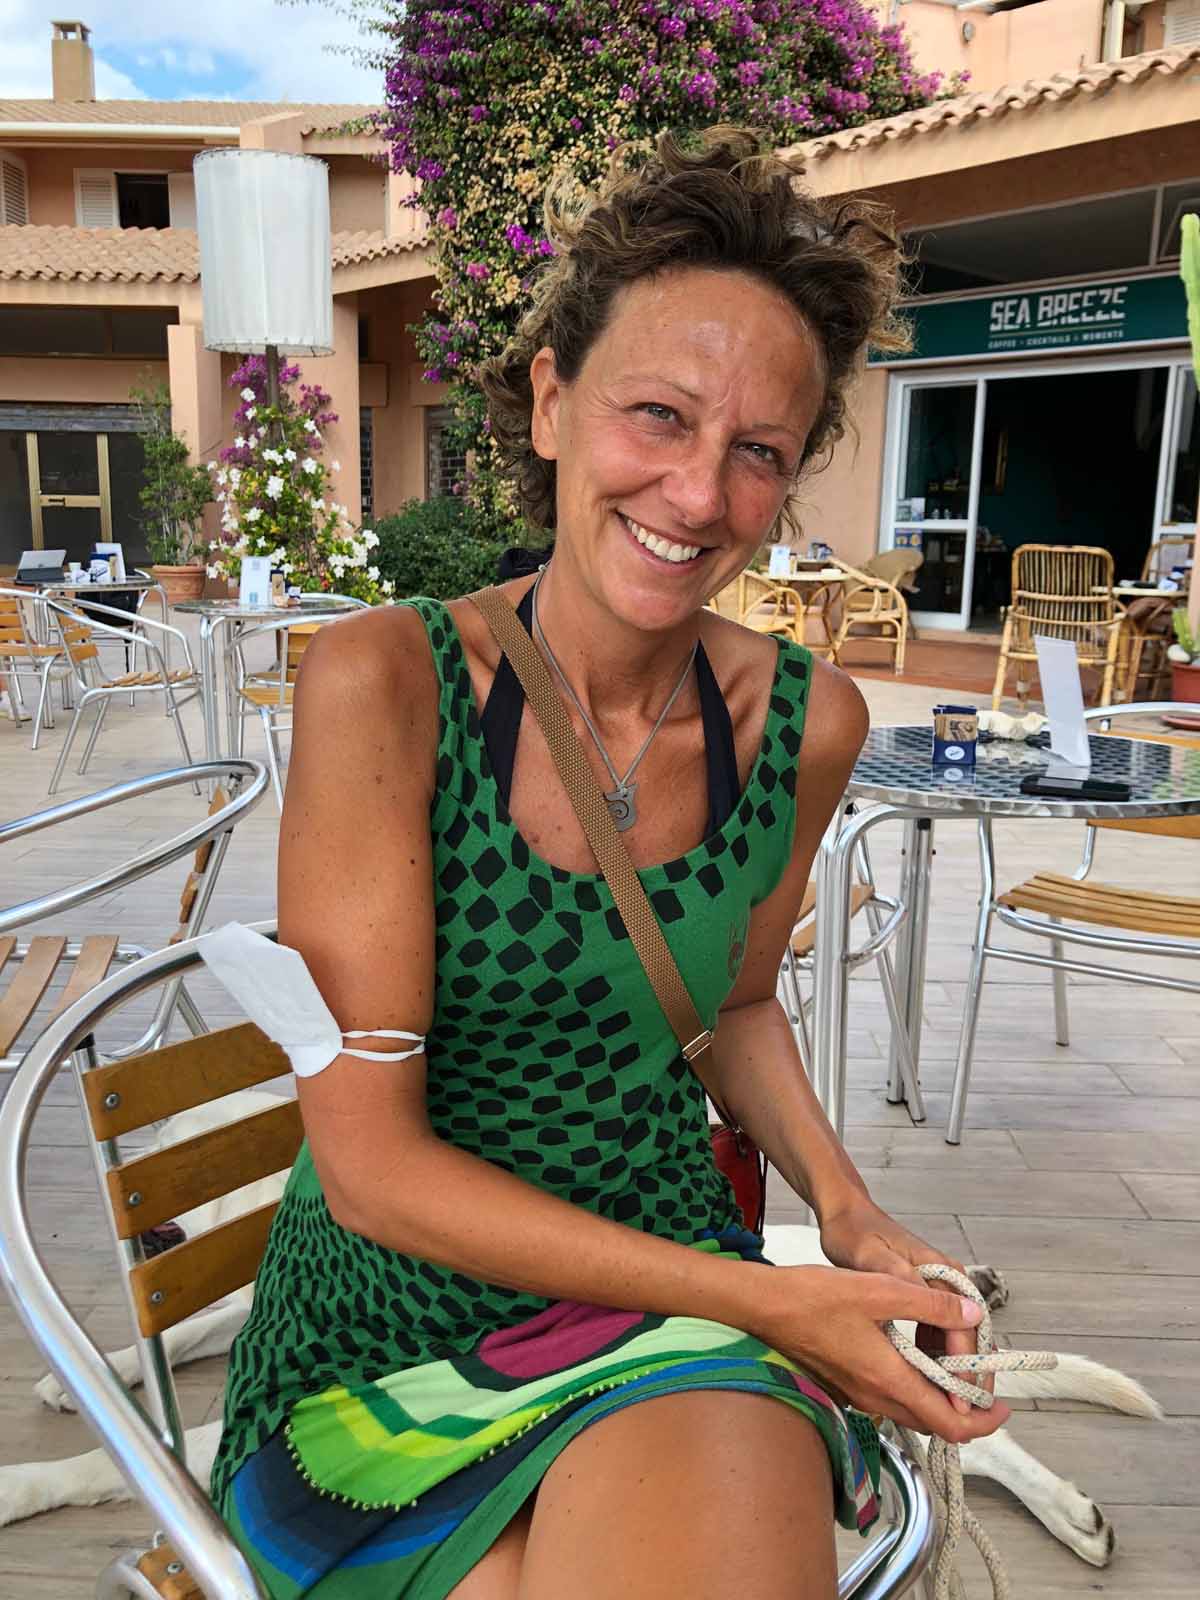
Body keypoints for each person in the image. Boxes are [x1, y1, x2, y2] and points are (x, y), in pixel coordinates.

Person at [211, 127, 1009, 1600]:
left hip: (663, 1294)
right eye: (659, 415)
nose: (699, 495)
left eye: (758, 451)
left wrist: (841, 1209)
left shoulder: (803, 724)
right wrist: (769, 1299)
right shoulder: (388, 687)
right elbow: (372, 1171)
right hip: (387, 1328)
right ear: (550, 401)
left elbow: (737, 1005)